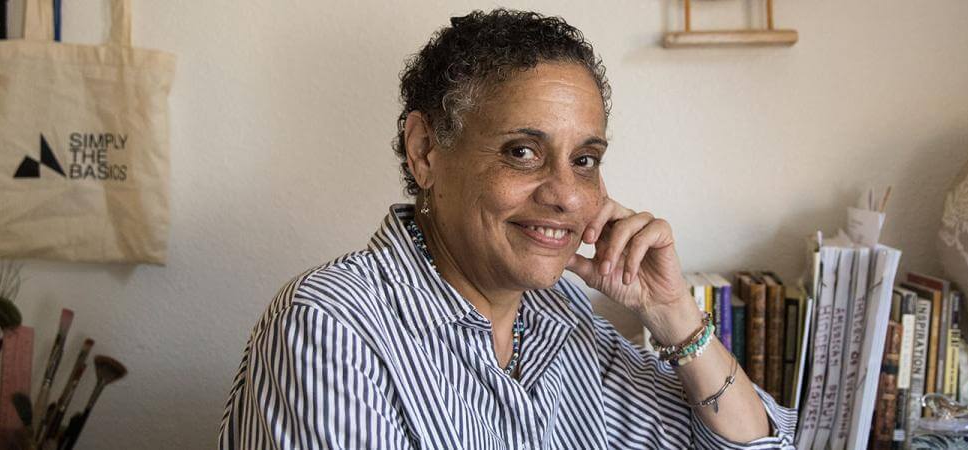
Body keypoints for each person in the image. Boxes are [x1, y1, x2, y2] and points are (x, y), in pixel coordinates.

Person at [218, 9, 795, 449]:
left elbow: (752, 444)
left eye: (585, 160)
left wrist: (673, 314)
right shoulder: (331, 327)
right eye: (522, 151)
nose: (566, 194)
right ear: (425, 151)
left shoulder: (560, 316)